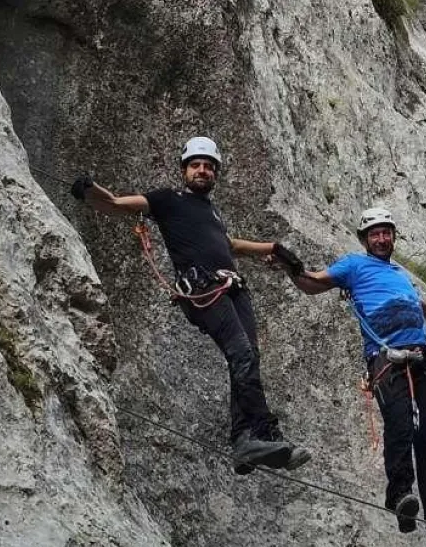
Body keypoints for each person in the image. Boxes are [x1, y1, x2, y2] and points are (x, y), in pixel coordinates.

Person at [70, 137, 311, 474]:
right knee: (240, 353)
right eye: (196, 165)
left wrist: (271, 247)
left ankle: (244, 441)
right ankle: (263, 432)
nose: (203, 170)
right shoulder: (168, 200)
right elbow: (118, 205)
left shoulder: (212, 213)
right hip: (204, 288)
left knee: (247, 356)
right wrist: (90, 190)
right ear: (184, 169)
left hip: (232, 288)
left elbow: (230, 245)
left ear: (215, 174)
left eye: (209, 166)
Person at [286, 207, 426, 546]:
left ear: (393, 237)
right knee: (401, 424)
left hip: (421, 359)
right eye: (374, 234)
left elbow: (413, 303)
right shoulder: (354, 265)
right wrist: (291, 268)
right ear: (365, 240)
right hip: (386, 360)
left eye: (385, 232)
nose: (381, 238)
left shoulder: (399, 274)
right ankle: (400, 495)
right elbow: (313, 283)